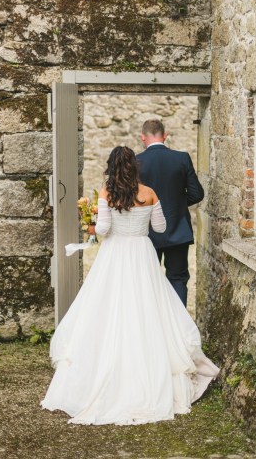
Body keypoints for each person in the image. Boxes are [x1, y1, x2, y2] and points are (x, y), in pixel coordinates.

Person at [41, 146, 219, 426]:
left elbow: (102, 231)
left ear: (111, 167)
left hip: (115, 255)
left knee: (108, 306)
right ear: (135, 167)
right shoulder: (149, 193)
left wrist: (89, 226)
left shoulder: (106, 193)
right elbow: (159, 229)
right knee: (146, 305)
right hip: (142, 253)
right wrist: (141, 221)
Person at [136, 119, 204, 307]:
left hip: (148, 232)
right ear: (165, 136)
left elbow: (132, 199)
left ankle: (152, 322)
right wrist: (179, 204)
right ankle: (179, 326)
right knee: (178, 278)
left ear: (143, 137)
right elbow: (197, 193)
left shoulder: (136, 161)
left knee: (147, 279)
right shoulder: (182, 158)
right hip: (177, 230)